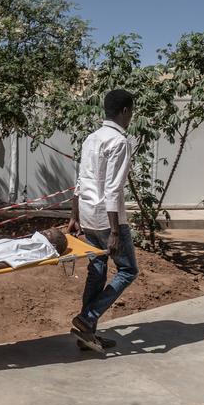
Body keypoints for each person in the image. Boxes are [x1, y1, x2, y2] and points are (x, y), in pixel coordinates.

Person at [67, 89, 139, 353]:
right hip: (108, 219)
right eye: (131, 111)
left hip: (87, 214)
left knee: (97, 272)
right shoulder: (119, 142)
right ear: (125, 111)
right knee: (128, 270)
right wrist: (116, 231)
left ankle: (87, 335)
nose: (131, 116)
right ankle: (88, 318)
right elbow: (113, 189)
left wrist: (74, 215)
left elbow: (80, 180)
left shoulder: (91, 138)